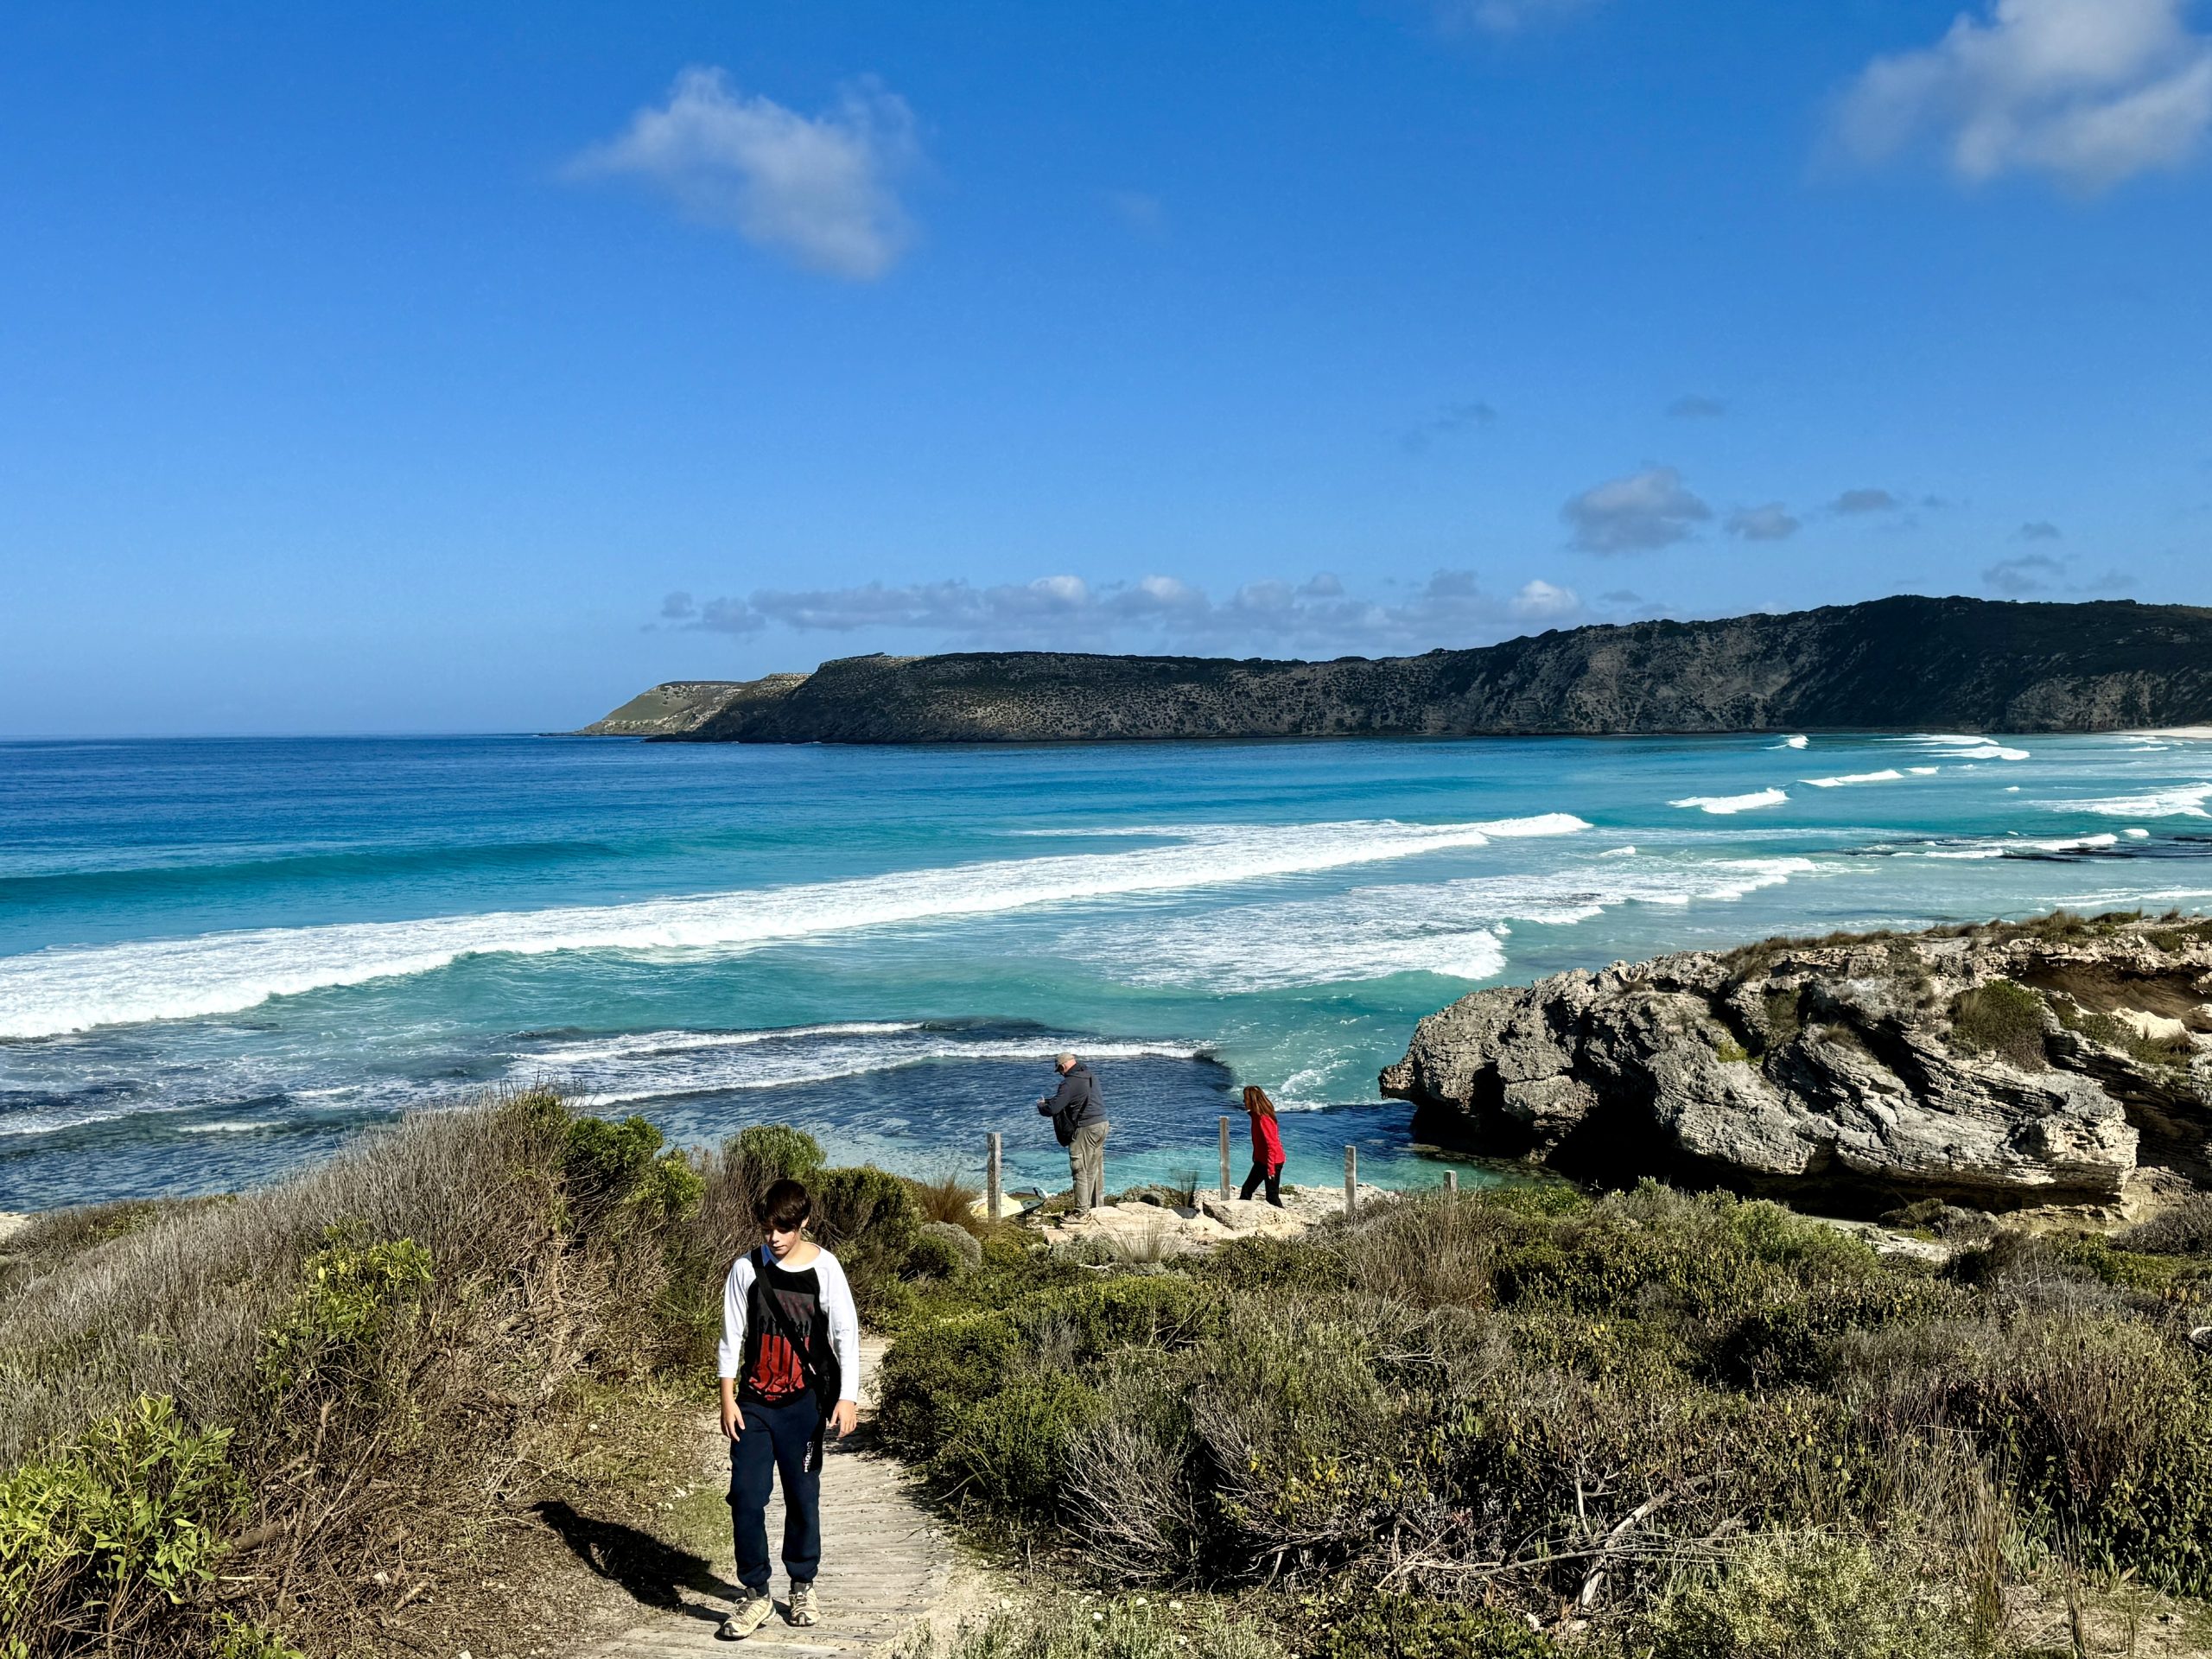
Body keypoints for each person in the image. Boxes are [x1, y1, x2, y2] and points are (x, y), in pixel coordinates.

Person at [715, 1177, 860, 1641]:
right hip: (754, 1404)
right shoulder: (746, 1269)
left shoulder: (827, 1270)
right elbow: (730, 1337)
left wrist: (848, 1396)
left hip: (804, 1406)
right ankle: (756, 1592)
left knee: (802, 1498)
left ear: (804, 1224)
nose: (775, 1238)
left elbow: (846, 1336)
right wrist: (726, 1398)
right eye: (767, 1229)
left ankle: (802, 1583)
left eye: (785, 1229)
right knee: (745, 1498)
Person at [1037, 1051, 1109, 1213]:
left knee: (1079, 1169)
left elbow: (1054, 1108)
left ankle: (1080, 1212)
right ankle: (1086, 1208)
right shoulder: (1091, 1076)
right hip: (1102, 1124)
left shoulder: (1069, 1083)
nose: (1061, 1075)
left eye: (1060, 1071)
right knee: (1091, 1169)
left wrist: (1042, 1106)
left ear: (1063, 1066)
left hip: (1086, 1128)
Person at [1238, 1084, 1287, 1207]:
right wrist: (1256, 1157)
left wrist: (1271, 1169)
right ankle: (1241, 1216)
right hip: (1261, 1161)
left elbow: (1271, 1144)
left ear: (1252, 1100)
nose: (1244, 1102)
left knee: (1272, 1197)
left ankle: (1285, 1221)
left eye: (1245, 1099)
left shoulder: (1264, 1119)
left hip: (1273, 1162)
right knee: (1246, 1190)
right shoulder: (1255, 1116)